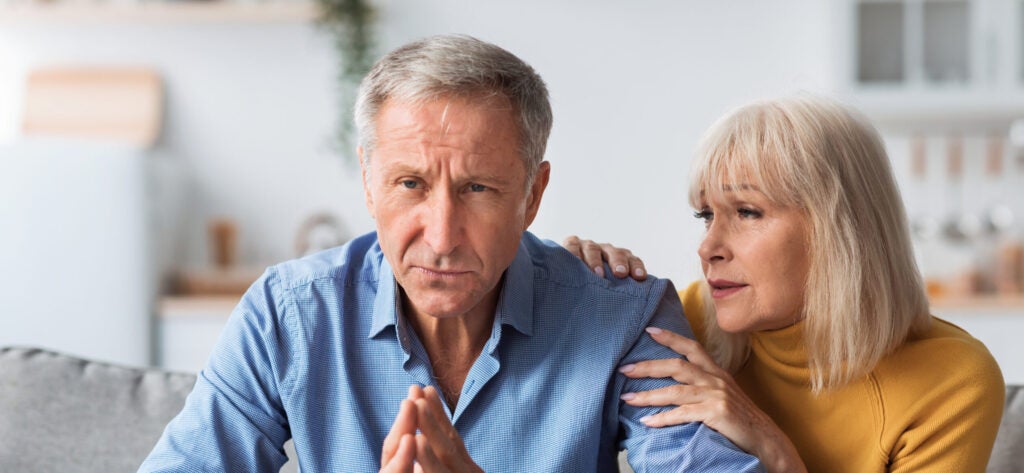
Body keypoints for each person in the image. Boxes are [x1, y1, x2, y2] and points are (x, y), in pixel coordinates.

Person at [139, 35, 762, 472]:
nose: (440, 238)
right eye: (410, 184)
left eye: (478, 189)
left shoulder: (622, 315)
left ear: (532, 195)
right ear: (369, 183)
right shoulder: (289, 314)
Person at [565, 95, 1005, 473]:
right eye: (706, 215)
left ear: (839, 228)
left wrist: (773, 449)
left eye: (746, 212)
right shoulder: (684, 322)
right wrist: (565, 282)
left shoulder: (952, 381)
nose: (707, 247)